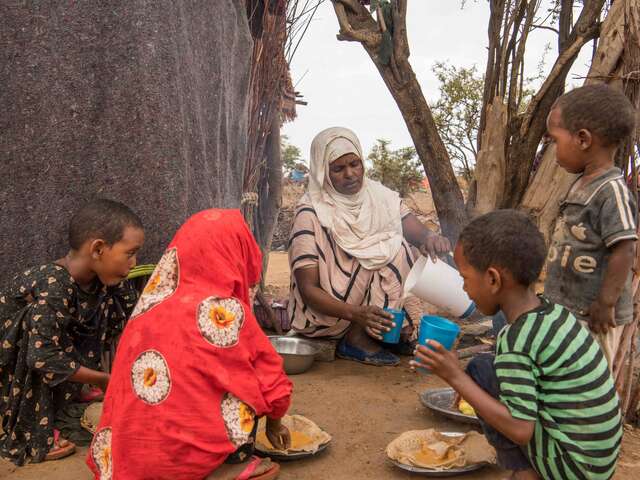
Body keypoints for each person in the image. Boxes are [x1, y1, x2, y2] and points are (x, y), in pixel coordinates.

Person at [414, 210, 622, 480]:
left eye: (465, 278)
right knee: (483, 367)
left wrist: (455, 376)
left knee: (478, 373)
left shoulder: (517, 339)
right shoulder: (555, 314)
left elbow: (521, 429)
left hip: (571, 469)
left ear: (493, 279)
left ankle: (525, 474)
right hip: (597, 461)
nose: (464, 288)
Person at [87, 209, 292, 480]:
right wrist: (275, 425)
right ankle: (227, 466)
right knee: (245, 383)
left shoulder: (147, 305)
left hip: (130, 456)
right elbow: (273, 384)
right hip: (188, 461)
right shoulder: (227, 312)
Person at [288, 127, 450, 366]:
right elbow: (308, 289)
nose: (351, 174)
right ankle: (356, 337)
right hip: (329, 315)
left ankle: (387, 330)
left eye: (355, 164)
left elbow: (418, 233)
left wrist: (431, 238)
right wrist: (356, 314)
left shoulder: (380, 198)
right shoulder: (309, 213)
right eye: (338, 168)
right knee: (393, 249)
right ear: (323, 171)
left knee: (402, 247)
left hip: (365, 308)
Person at [0, 199, 144, 465]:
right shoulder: (54, 284)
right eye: (130, 253)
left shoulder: (102, 280)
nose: (134, 263)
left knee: (109, 298)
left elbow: (136, 316)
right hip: (14, 366)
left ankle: (75, 386)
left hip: (49, 351)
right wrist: (103, 379)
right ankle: (31, 430)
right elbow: (40, 357)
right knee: (40, 333)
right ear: (98, 248)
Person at [544, 84, 637, 366]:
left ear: (583, 139)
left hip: (593, 317)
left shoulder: (612, 190)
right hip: (566, 309)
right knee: (563, 375)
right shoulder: (580, 185)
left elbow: (625, 248)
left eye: (554, 140)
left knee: (589, 379)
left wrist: (605, 303)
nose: (552, 149)